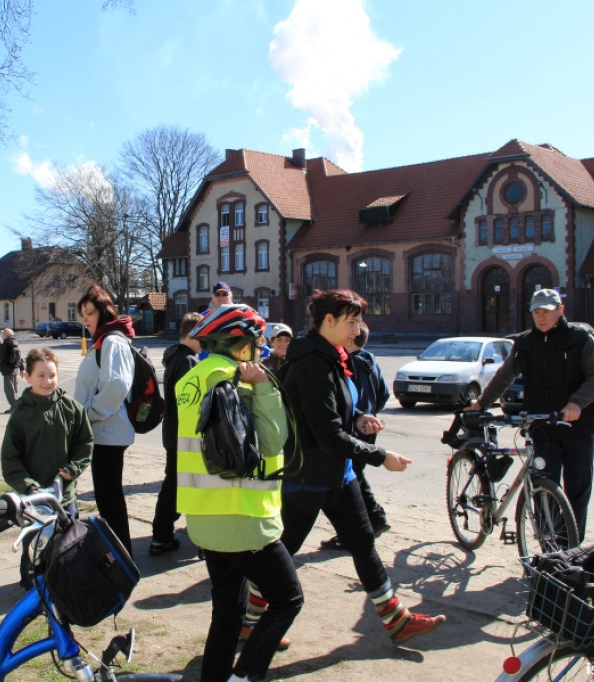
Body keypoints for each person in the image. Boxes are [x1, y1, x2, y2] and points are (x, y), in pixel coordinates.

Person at [280, 289, 444, 646]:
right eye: (351, 322)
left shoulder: (331, 356)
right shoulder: (312, 362)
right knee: (286, 547)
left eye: (358, 322)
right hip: (309, 474)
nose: (357, 330)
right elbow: (326, 433)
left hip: (338, 473)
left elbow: (332, 410)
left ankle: (396, 620)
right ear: (329, 321)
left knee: (363, 541)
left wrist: (358, 416)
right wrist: (380, 455)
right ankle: (250, 620)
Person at [176, 304, 302, 682]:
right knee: (287, 599)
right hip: (243, 517)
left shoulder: (192, 378)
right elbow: (272, 440)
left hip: (204, 517)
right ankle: (246, 675)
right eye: (256, 343)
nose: (260, 351)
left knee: (227, 612)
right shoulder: (237, 380)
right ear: (239, 345)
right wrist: (263, 387)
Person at [467, 288, 594, 540]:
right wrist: (483, 402)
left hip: (578, 427)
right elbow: (505, 375)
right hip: (542, 427)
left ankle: (573, 548)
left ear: (560, 310)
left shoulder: (579, 338)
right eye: (536, 312)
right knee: (543, 490)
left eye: (547, 312)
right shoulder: (525, 342)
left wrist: (576, 403)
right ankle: (547, 549)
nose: (541, 317)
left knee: (577, 491)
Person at [1, 347, 93, 585]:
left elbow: (85, 444)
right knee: (35, 547)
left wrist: (71, 471)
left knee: (67, 545)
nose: (47, 381)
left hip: (65, 498)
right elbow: (10, 460)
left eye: (52, 375)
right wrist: (30, 487)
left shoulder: (72, 409)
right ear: (27, 376)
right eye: (41, 376)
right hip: (34, 501)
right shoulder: (21, 415)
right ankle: (31, 584)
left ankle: (63, 584)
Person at [74, 285, 136, 555]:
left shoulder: (112, 340)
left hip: (108, 431)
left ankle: (121, 558)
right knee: (108, 498)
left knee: (109, 498)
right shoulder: (105, 339)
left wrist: (90, 414)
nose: (85, 319)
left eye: (89, 312)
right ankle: (120, 554)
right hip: (104, 431)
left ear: (104, 312)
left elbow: (116, 385)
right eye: (82, 314)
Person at [321, 322, 392, 550]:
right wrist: (371, 413)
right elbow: (383, 393)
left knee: (351, 478)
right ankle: (372, 520)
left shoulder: (349, 364)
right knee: (356, 475)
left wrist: (357, 416)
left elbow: (347, 400)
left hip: (353, 428)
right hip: (368, 426)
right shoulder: (372, 361)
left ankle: (370, 521)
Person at [149, 311, 202, 556]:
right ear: (192, 334)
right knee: (177, 486)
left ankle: (162, 535)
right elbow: (190, 403)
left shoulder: (176, 358)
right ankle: (161, 536)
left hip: (174, 433)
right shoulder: (188, 362)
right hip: (184, 436)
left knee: (175, 485)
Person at [0, 328, 22, 412]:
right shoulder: (15, 343)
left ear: (6, 335)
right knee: (15, 389)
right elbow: (20, 357)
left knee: (9, 389)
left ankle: (14, 406)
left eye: (3, 334)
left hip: (8, 369)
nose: (2, 336)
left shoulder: (6, 345)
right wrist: (22, 368)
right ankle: (16, 406)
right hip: (15, 369)